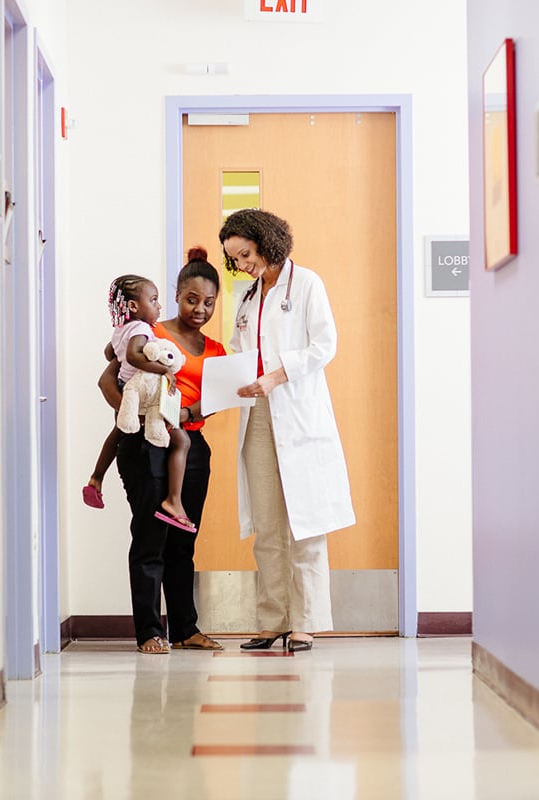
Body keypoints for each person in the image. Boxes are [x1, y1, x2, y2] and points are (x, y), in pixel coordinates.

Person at [219, 209, 355, 653]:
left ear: (265, 242)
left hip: (297, 412)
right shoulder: (246, 296)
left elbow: (325, 345)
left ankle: (306, 622)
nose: (242, 264)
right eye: (234, 259)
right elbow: (242, 351)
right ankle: (271, 619)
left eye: (245, 253)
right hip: (257, 414)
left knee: (306, 520)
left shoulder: (307, 284)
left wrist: (277, 376)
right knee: (268, 525)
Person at [100, 248, 227, 654]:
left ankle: (185, 629)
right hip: (146, 442)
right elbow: (107, 378)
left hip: (190, 446)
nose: (200, 309)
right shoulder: (151, 331)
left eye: (209, 303)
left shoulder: (218, 351)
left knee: (182, 543)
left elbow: (216, 396)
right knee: (150, 536)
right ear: (176, 294)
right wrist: (134, 411)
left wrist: (187, 411)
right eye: (192, 299)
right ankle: (150, 632)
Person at [85, 275, 196, 533]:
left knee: (118, 433)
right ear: (134, 306)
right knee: (182, 440)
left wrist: (122, 352)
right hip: (140, 394)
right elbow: (135, 356)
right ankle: (173, 500)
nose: (159, 307)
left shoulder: (122, 328)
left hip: (127, 391)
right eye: (154, 300)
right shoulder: (141, 329)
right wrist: (163, 370)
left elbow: (109, 353)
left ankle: (96, 477)